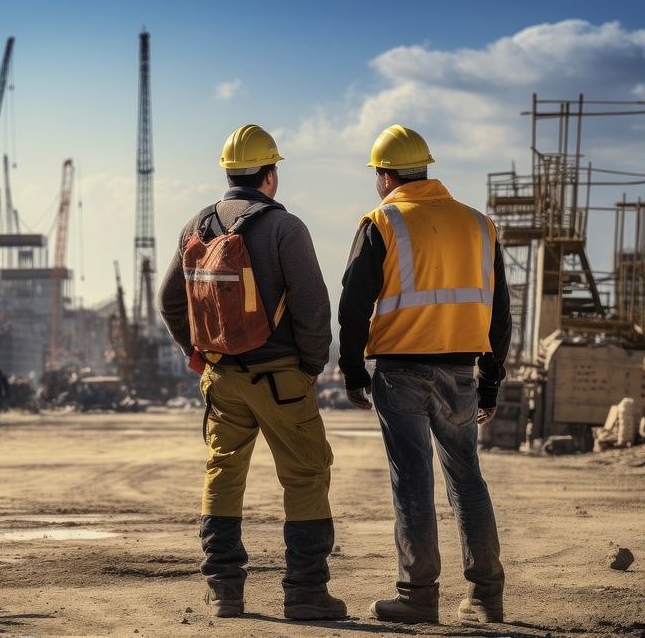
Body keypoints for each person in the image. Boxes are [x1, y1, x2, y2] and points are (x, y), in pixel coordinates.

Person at [159, 124, 344, 620]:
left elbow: (168, 301)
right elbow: (313, 307)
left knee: (224, 472)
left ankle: (225, 591)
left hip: (222, 378)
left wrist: (195, 353)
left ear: (227, 172)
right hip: (281, 376)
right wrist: (310, 366)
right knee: (305, 476)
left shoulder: (195, 226)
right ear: (271, 174)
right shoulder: (285, 228)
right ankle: (306, 593)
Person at [338, 125, 511, 624]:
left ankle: (417, 597)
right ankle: (486, 597)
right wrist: (491, 381)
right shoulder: (479, 224)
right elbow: (501, 315)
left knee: (412, 481)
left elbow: (353, 305)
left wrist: (353, 372)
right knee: (466, 479)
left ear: (385, 175)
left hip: (401, 372)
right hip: (461, 372)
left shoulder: (382, 221)